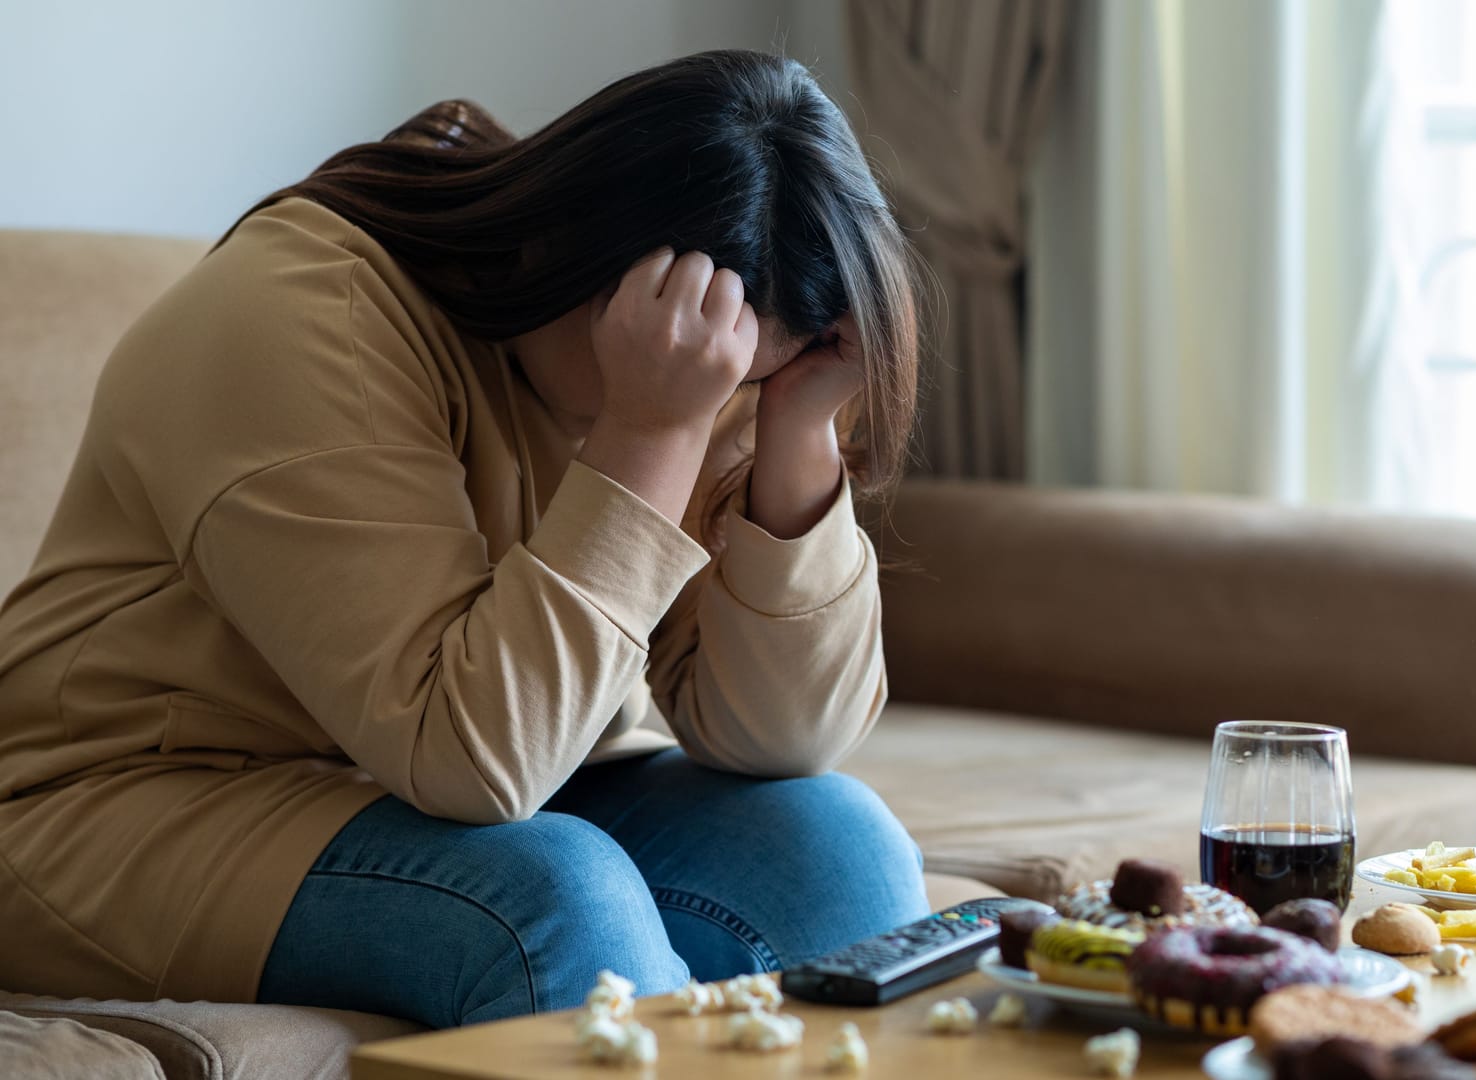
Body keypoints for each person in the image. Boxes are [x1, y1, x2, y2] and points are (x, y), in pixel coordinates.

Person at [0, 50, 927, 1029]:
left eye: (753, 378)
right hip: (119, 811)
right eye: (725, 380)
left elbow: (779, 737)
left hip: (427, 801)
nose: (722, 402)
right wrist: (650, 429)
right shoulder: (299, 314)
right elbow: (478, 761)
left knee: (834, 851)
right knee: (554, 898)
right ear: (584, 256)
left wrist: (798, 429)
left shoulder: (712, 356)